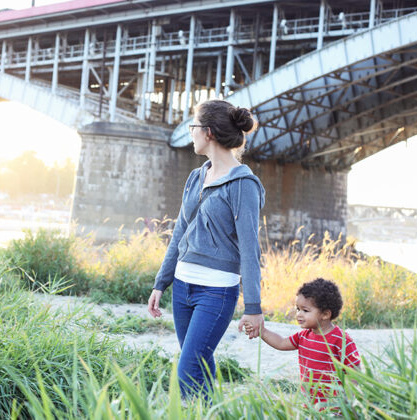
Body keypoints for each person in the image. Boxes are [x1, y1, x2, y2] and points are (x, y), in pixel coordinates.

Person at [147, 99, 266, 399]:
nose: (191, 133)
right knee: (199, 363)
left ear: (209, 132)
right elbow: (179, 232)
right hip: (183, 287)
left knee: (187, 367)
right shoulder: (196, 176)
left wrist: (253, 308)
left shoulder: (243, 185)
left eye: (194, 127)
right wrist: (162, 282)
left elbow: (251, 250)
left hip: (216, 291)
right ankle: (212, 411)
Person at [246, 278, 361, 408]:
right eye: (298, 309)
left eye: (305, 311)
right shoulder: (304, 336)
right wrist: (262, 331)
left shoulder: (340, 340)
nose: (299, 315)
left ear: (325, 314)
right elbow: (281, 343)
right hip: (309, 405)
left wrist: (349, 398)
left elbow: (354, 370)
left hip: (334, 406)